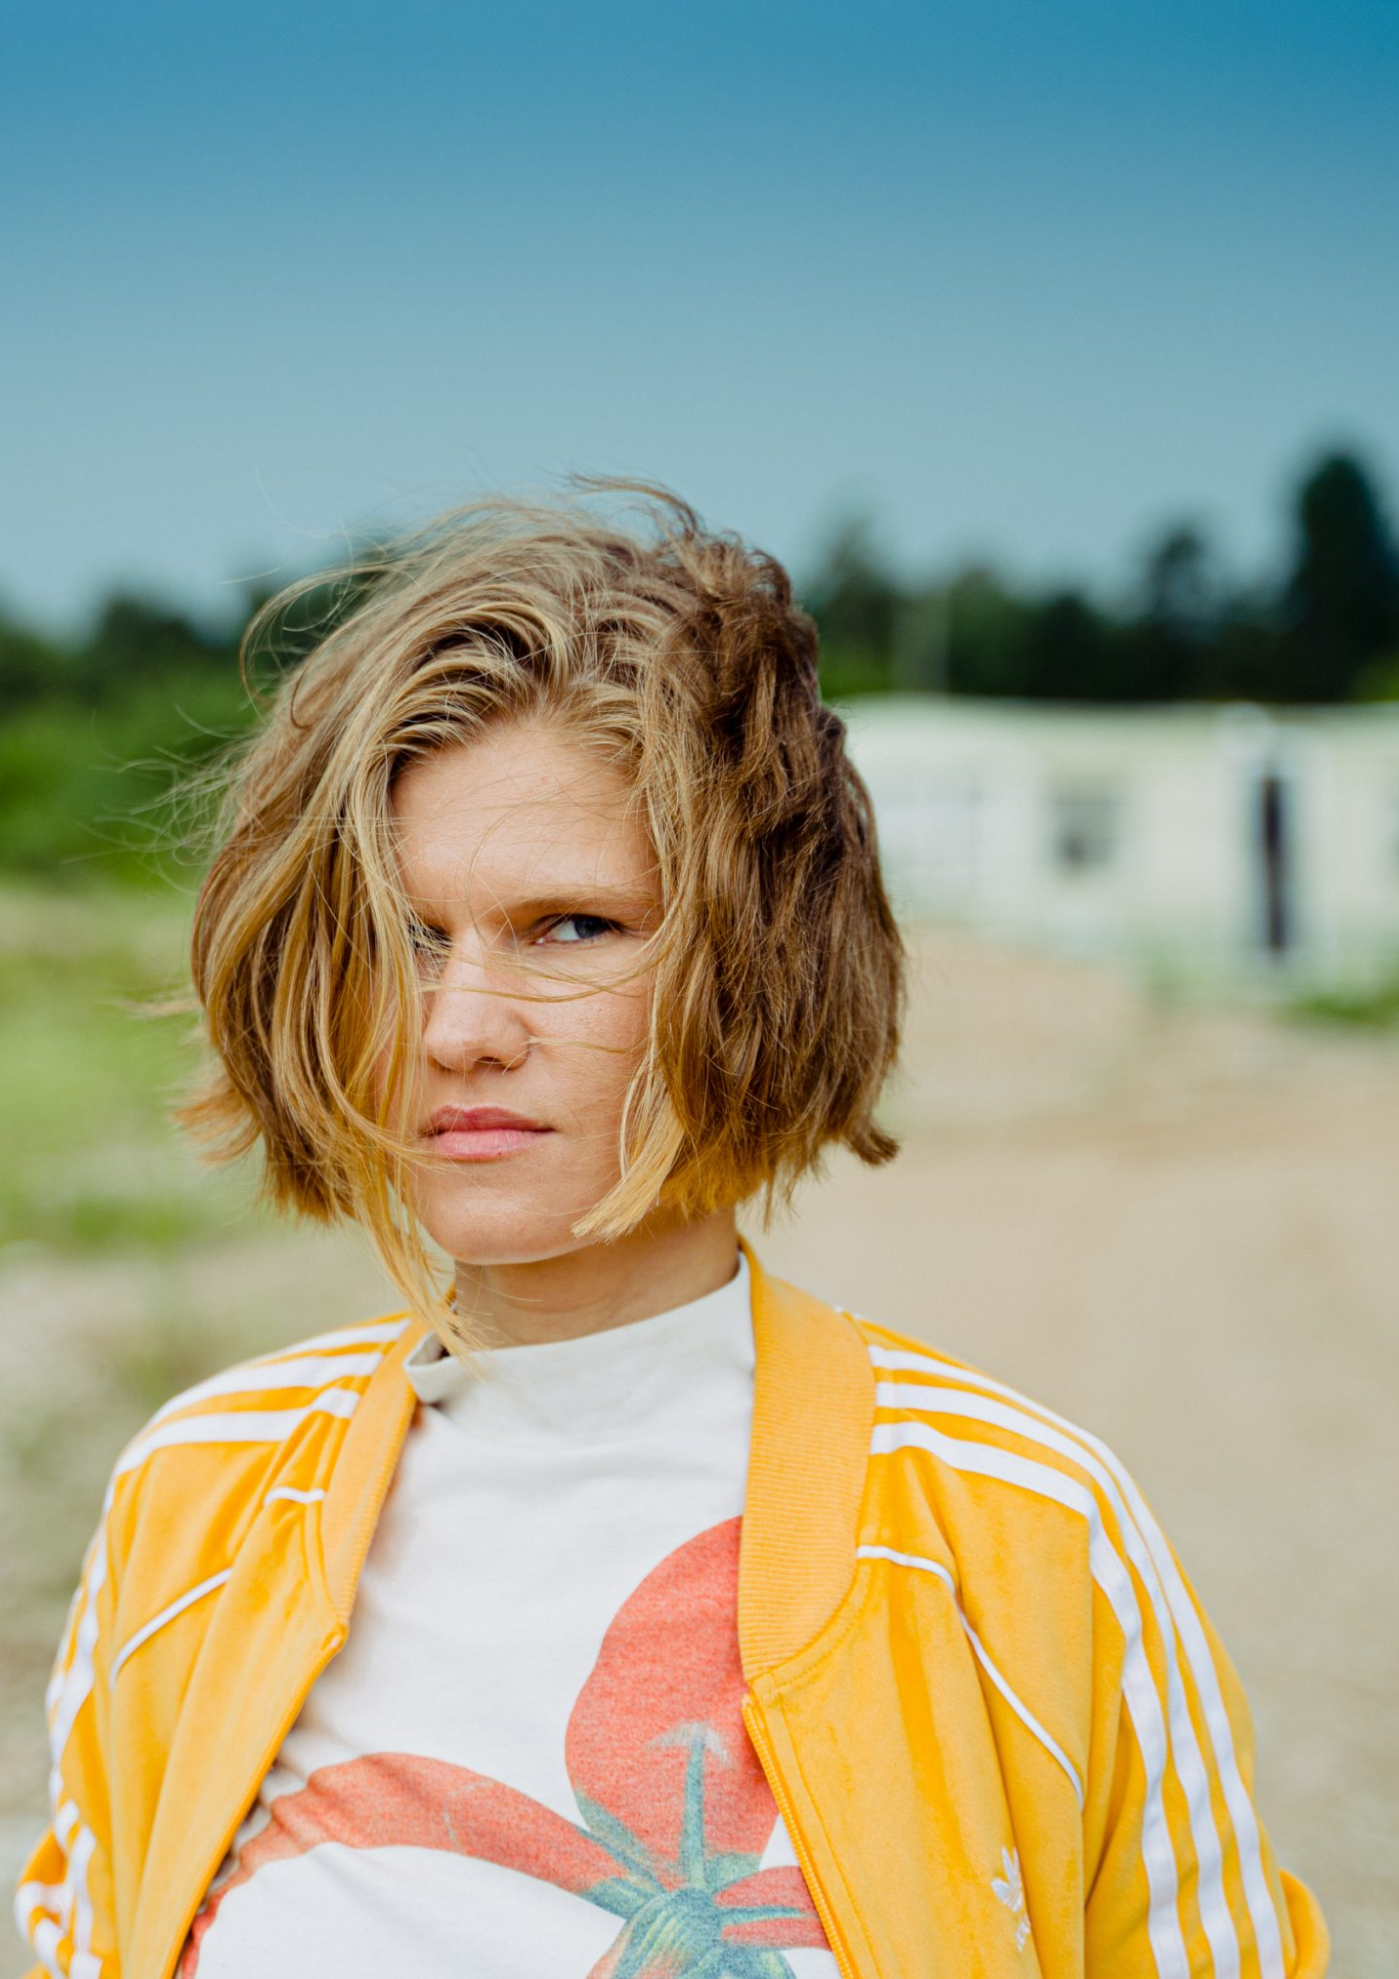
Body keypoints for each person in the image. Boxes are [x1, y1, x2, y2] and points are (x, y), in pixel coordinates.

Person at [16, 486, 1327, 1978]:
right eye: (403, 935)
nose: (458, 1028)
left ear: (761, 968)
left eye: (570, 927)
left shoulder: (1021, 1529)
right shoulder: (196, 1496)